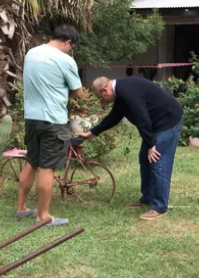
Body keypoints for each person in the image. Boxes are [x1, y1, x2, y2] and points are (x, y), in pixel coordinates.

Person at [77, 77, 183, 220]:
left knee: (158, 160)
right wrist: (92, 132)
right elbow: (114, 117)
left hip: (167, 120)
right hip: (156, 123)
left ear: (104, 90)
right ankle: (148, 197)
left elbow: (142, 119)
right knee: (144, 159)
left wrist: (151, 145)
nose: (104, 102)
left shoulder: (125, 92)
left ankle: (159, 207)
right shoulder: (120, 92)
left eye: (102, 98)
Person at [16, 25, 83, 226]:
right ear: (68, 42)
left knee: (32, 161)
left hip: (32, 118)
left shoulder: (31, 53)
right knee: (48, 167)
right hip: (53, 120)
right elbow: (78, 92)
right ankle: (43, 216)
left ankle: (21, 208)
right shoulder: (65, 60)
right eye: (71, 47)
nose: (70, 50)